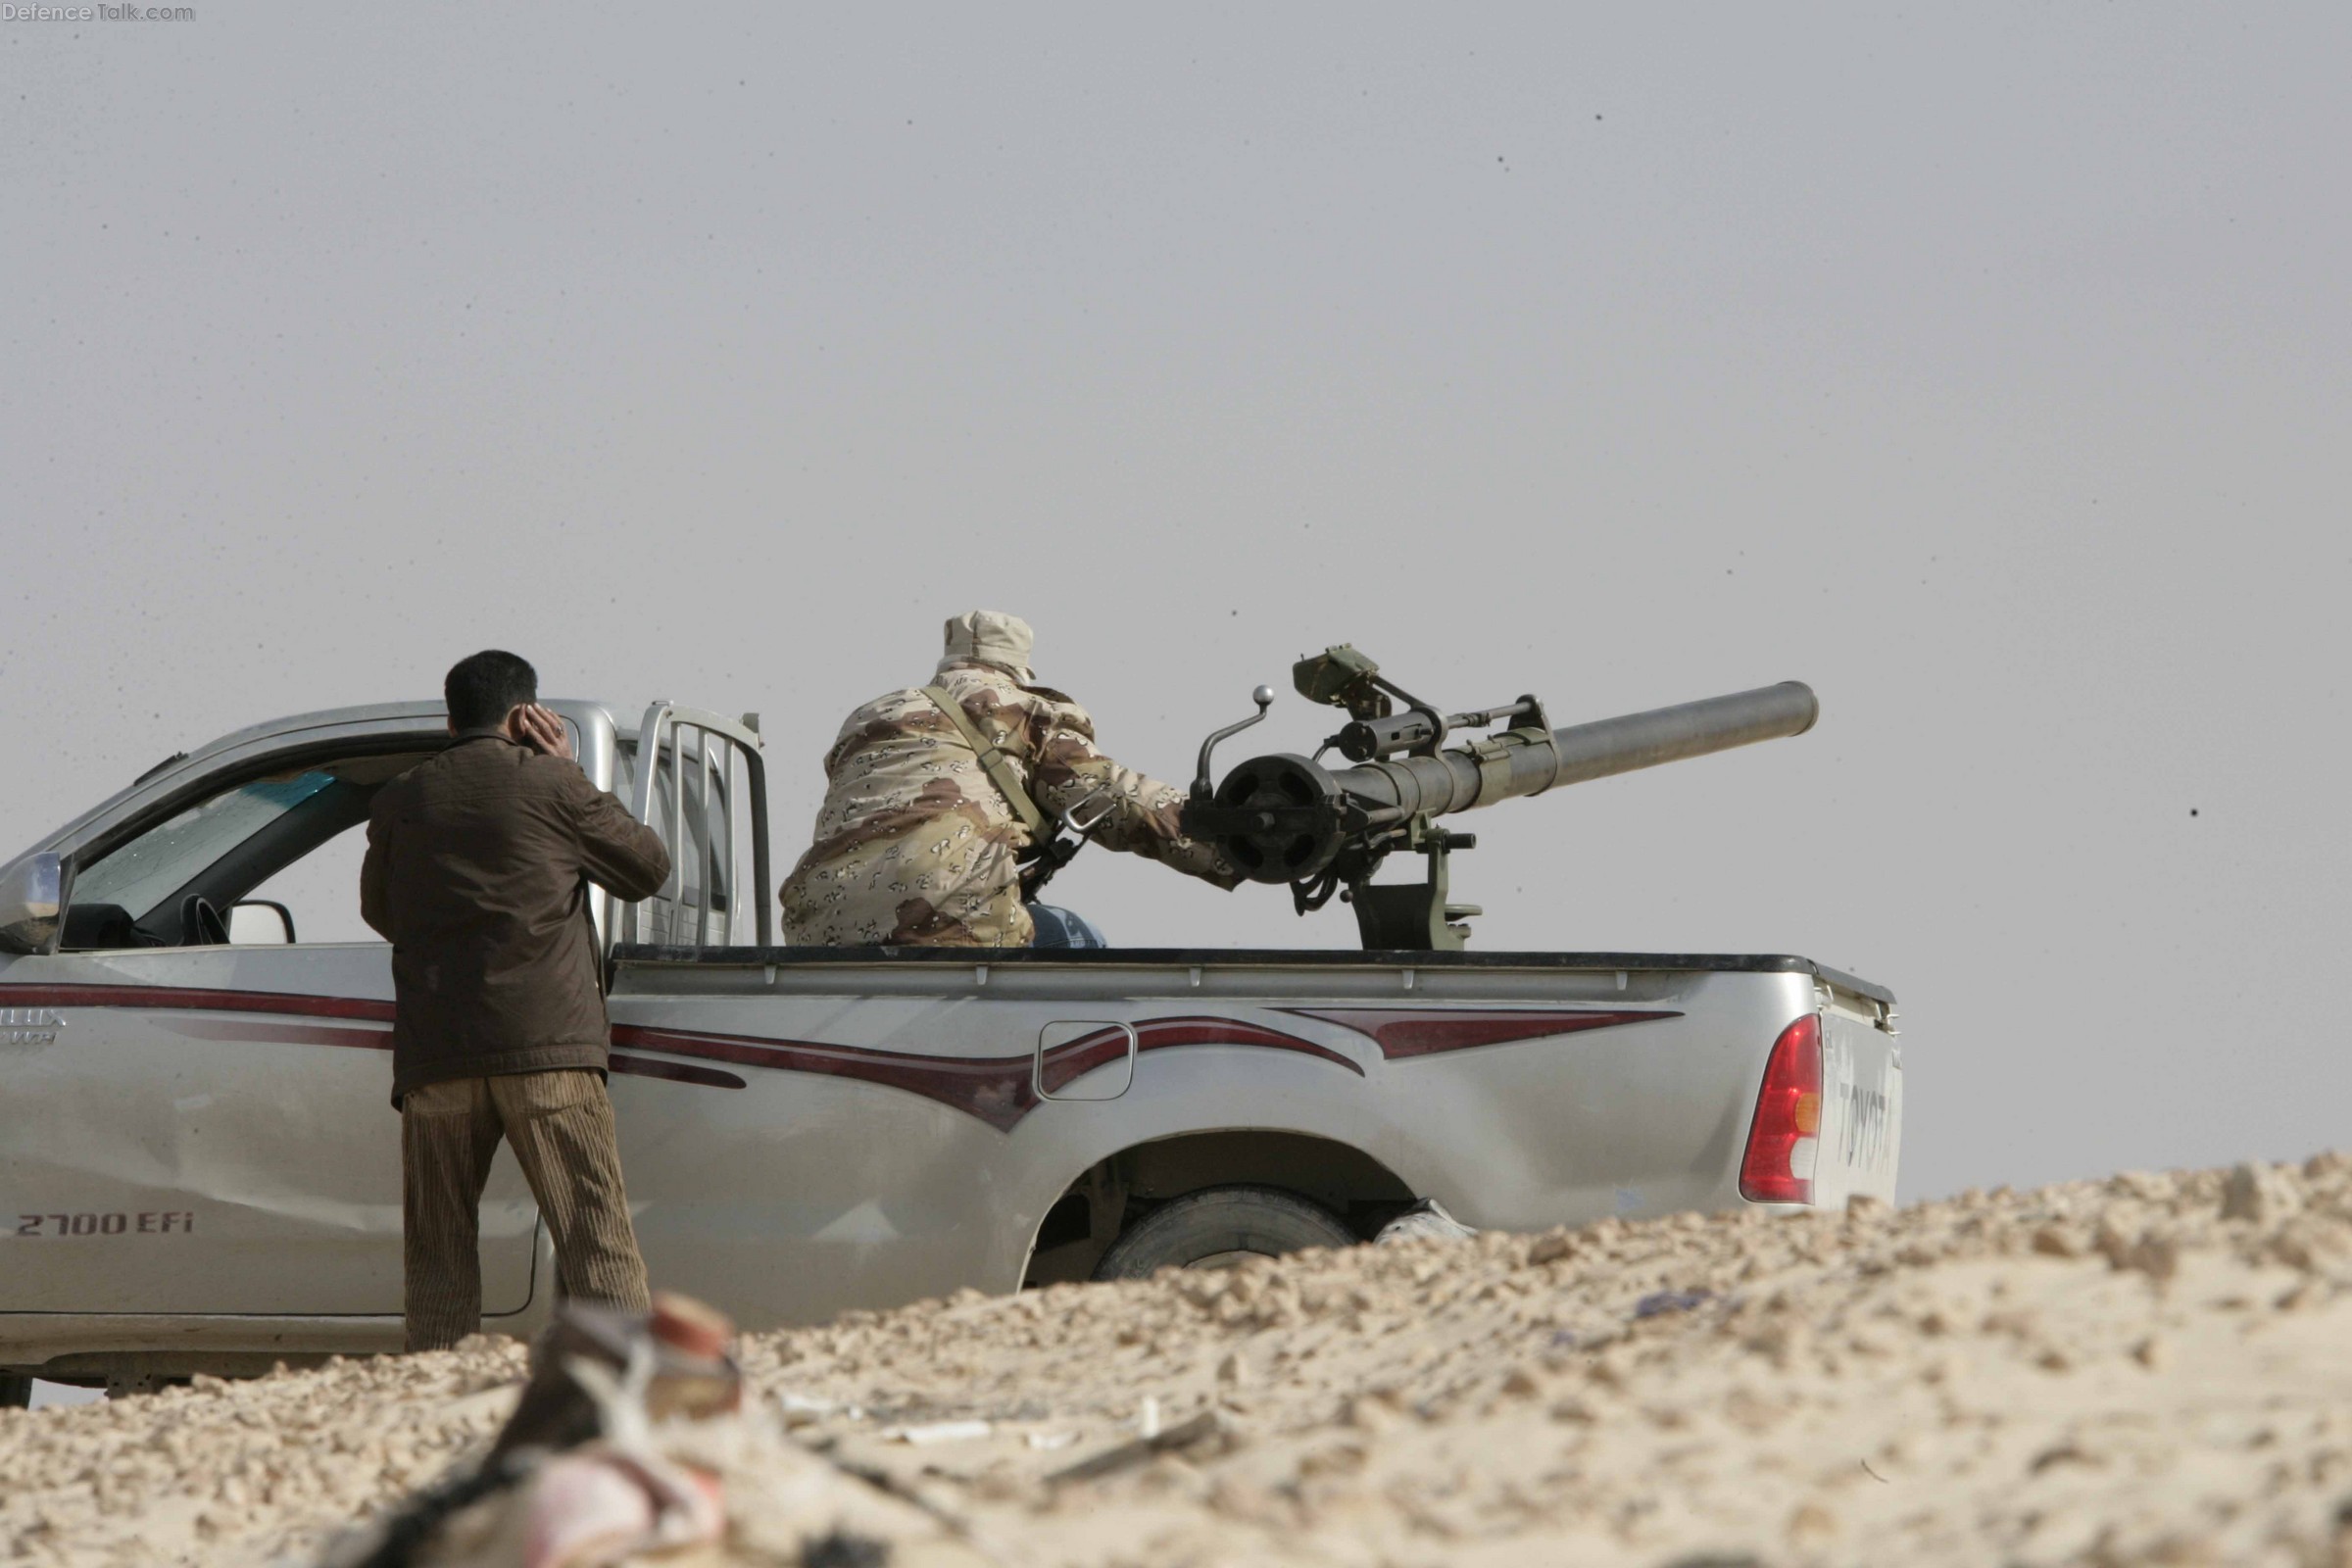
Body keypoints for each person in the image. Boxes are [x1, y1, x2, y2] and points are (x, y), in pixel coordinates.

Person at [361, 650, 672, 1352]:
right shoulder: (553, 786)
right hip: (548, 1048)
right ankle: (626, 1385)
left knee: (438, 1257)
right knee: (596, 1240)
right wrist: (568, 770)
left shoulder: (401, 798)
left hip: (438, 1056)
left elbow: (381, 910)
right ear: (526, 717)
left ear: (449, 721)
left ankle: (431, 1399)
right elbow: (646, 869)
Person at [778, 611, 1239, 947]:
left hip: (817, 927)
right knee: (1081, 942)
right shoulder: (1021, 711)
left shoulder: (872, 717)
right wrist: (1233, 842)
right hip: (948, 918)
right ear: (1019, 669)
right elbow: (1118, 801)